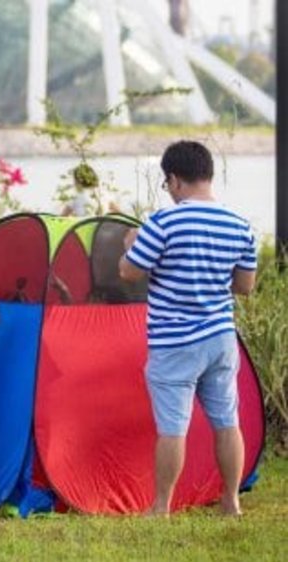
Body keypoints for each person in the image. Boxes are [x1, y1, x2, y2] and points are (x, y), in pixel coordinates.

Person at [119, 140, 256, 517]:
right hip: (221, 338)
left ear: (174, 180)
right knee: (228, 421)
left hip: (175, 342)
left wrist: (131, 245)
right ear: (208, 175)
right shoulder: (240, 225)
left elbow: (129, 272)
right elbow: (245, 287)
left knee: (172, 427)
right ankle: (232, 501)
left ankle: (161, 506)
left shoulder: (163, 222)